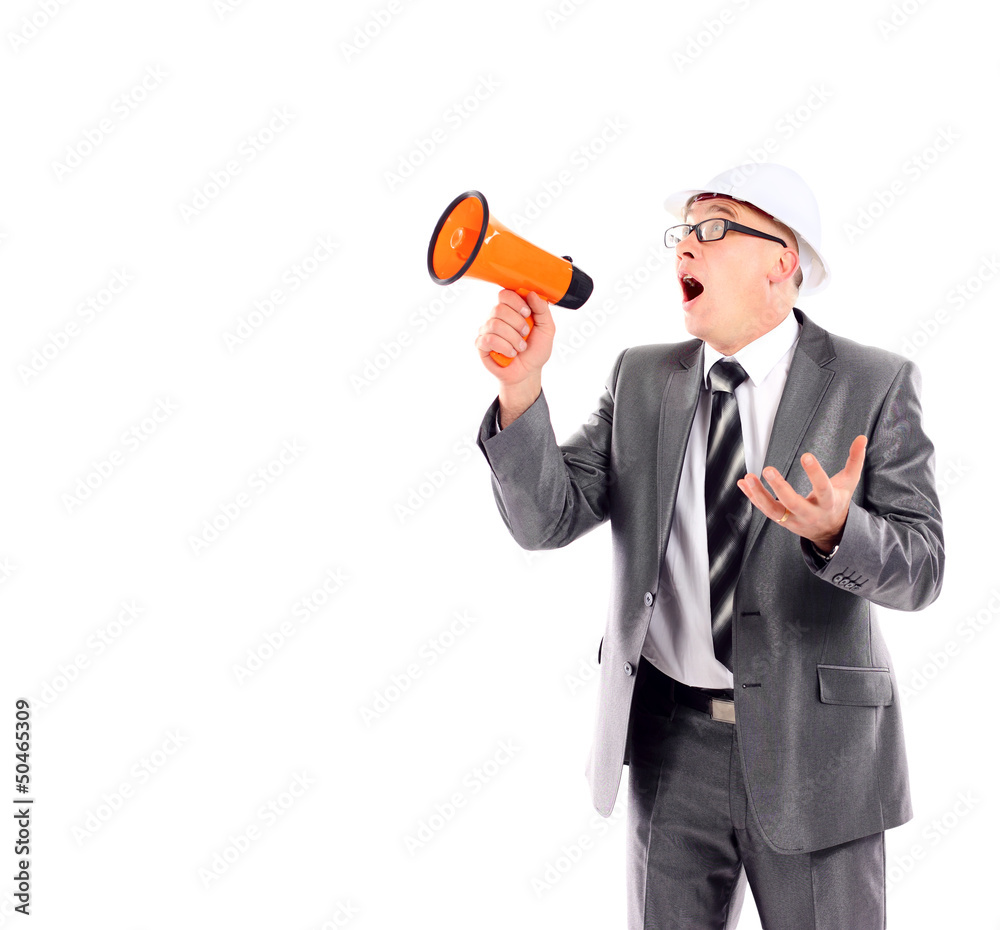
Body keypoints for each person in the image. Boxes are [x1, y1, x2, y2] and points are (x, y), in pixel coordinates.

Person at [472, 163, 945, 929]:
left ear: (781, 262)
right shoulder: (642, 380)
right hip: (669, 746)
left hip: (816, 754)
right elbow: (546, 521)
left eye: (713, 227)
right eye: (683, 231)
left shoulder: (874, 381)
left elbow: (924, 567)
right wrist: (520, 391)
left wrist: (836, 532)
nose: (686, 247)